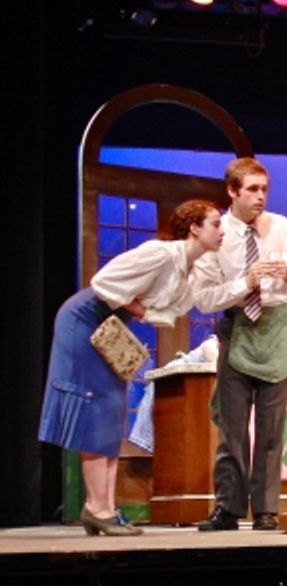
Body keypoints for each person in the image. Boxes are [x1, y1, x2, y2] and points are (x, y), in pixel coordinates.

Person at [39, 199, 224, 536]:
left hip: (110, 325)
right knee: (98, 406)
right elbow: (103, 282)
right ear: (195, 228)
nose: (221, 231)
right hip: (85, 320)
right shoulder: (161, 254)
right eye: (215, 223)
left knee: (113, 408)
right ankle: (99, 508)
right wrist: (140, 310)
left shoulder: (190, 269)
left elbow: (180, 307)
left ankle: (103, 507)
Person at [190, 157, 287, 531]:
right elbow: (204, 299)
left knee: (271, 429)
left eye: (265, 189)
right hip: (238, 328)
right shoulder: (218, 234)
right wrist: (244, 283)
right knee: (232, 428)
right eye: (252, 189)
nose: (261, 197)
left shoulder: (282, 227)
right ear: (232, 191)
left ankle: (266, 509)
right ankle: (228, 508)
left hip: (276, 330)